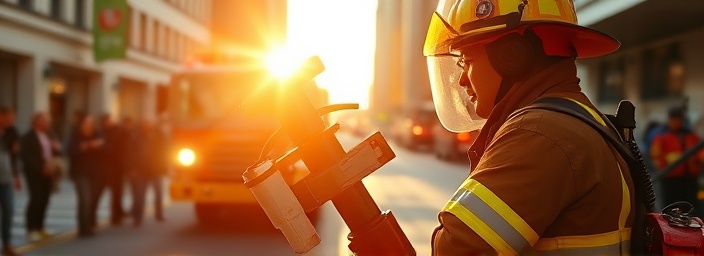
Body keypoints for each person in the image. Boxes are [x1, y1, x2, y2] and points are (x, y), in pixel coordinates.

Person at [423, 0, 636, 254]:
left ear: (511, 56)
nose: (462, 79)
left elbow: (456, 248)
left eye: (466, 61)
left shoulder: (540, 132)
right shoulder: (576, 118)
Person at [650, 107, 703, 217]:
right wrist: (666, 160)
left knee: (692, 208)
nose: (675, 122)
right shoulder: (662, 137)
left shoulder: (691, 136)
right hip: (670, 179)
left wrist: (695, 159)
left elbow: (700, 153)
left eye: (678, 120)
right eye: (673, 120)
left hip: (689, 179)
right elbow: (655, 154)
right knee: (670, 209)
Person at [20, 112, 61, 242]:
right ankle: (31, 229)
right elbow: (26, 156)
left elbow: (57, 151)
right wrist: (41, 167)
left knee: (45, 199)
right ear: (36, 121)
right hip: (35, 173)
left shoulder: (49, 134)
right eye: (43, 120)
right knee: (36, 199)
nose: (46, 123)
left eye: (47, 121)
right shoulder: (28, 137)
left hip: (49, 171)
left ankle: (40, 227)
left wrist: (56, 147)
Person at [67, 115, 105, 237]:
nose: (89, 127)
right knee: (85, 199)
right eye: (86, 124)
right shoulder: (75, 136)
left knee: (92, 199)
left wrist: (99, 145)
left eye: (91, 124)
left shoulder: (98, 135)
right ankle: (83, 228)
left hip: (95, 173)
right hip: (80, 173)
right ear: (82, 125)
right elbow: (69, 150)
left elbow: (109, 149)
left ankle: (88, 224)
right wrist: (81, 147)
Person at [127, 118, 167, 227]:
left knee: (158, 192)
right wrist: (132, 168)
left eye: (149, 123)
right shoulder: (136, 136)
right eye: (145, 123)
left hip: (156, 169)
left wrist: (164, 167)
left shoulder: (158, 135)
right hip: (141, 169)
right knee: (139, 195)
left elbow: (164, 150)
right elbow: (130, 153)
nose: (147, 126)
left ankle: (159, 214)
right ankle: (137, 217)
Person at [99, 114, 127, 225]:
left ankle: (116, 215)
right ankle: (91, 216)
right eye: (106, 121)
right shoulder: (100, 132)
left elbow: (123, 147)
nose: (108, 123)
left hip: (117, 167)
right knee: (98, 193)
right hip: (103, 168)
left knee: (117, 193)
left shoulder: (118, 131)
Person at [0, 108, 19, 256]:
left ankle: (7, 244)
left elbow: (14, 156)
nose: (11, 120)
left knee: (9, 211)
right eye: (9, 117)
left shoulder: (11, 133)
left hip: (5, 179)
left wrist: (16, 176)